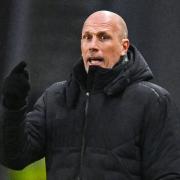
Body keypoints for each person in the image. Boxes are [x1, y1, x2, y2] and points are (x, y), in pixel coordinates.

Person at [0, 10, 180, 180]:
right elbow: (14, 157)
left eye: (103, 37)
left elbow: (168, 173)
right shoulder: (55, 98)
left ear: (124, 46)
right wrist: (13, 106)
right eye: (87, 38)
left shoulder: (152, 100)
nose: (93, 46)